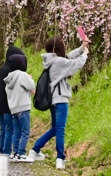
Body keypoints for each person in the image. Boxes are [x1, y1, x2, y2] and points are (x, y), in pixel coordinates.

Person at [28, 34, 88, 169]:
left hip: (53, 100)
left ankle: (35, 149)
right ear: (59, 47)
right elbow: (75, 64)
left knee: (55, 129)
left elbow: (69, 57)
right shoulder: (58, 62)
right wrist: (85, 54)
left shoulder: (52, 60)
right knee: (60, 129)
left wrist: (82, 47)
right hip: (60, 100)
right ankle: (60, 158)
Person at [0, 45, 26, 157]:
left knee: (3, 129)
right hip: (7, 106)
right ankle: (6, 152)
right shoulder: (10, 72)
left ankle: (2, 149)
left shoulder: (2, 69)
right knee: (9, 129)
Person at [4, 52, 36, 162]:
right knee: (25, 131)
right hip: (23, 108)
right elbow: (31, 87)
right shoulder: (22, 75)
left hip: (14, 109)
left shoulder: (9, 77)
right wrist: (30, 78)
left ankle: (15, 153)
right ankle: (22, 154)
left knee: (16, 132)